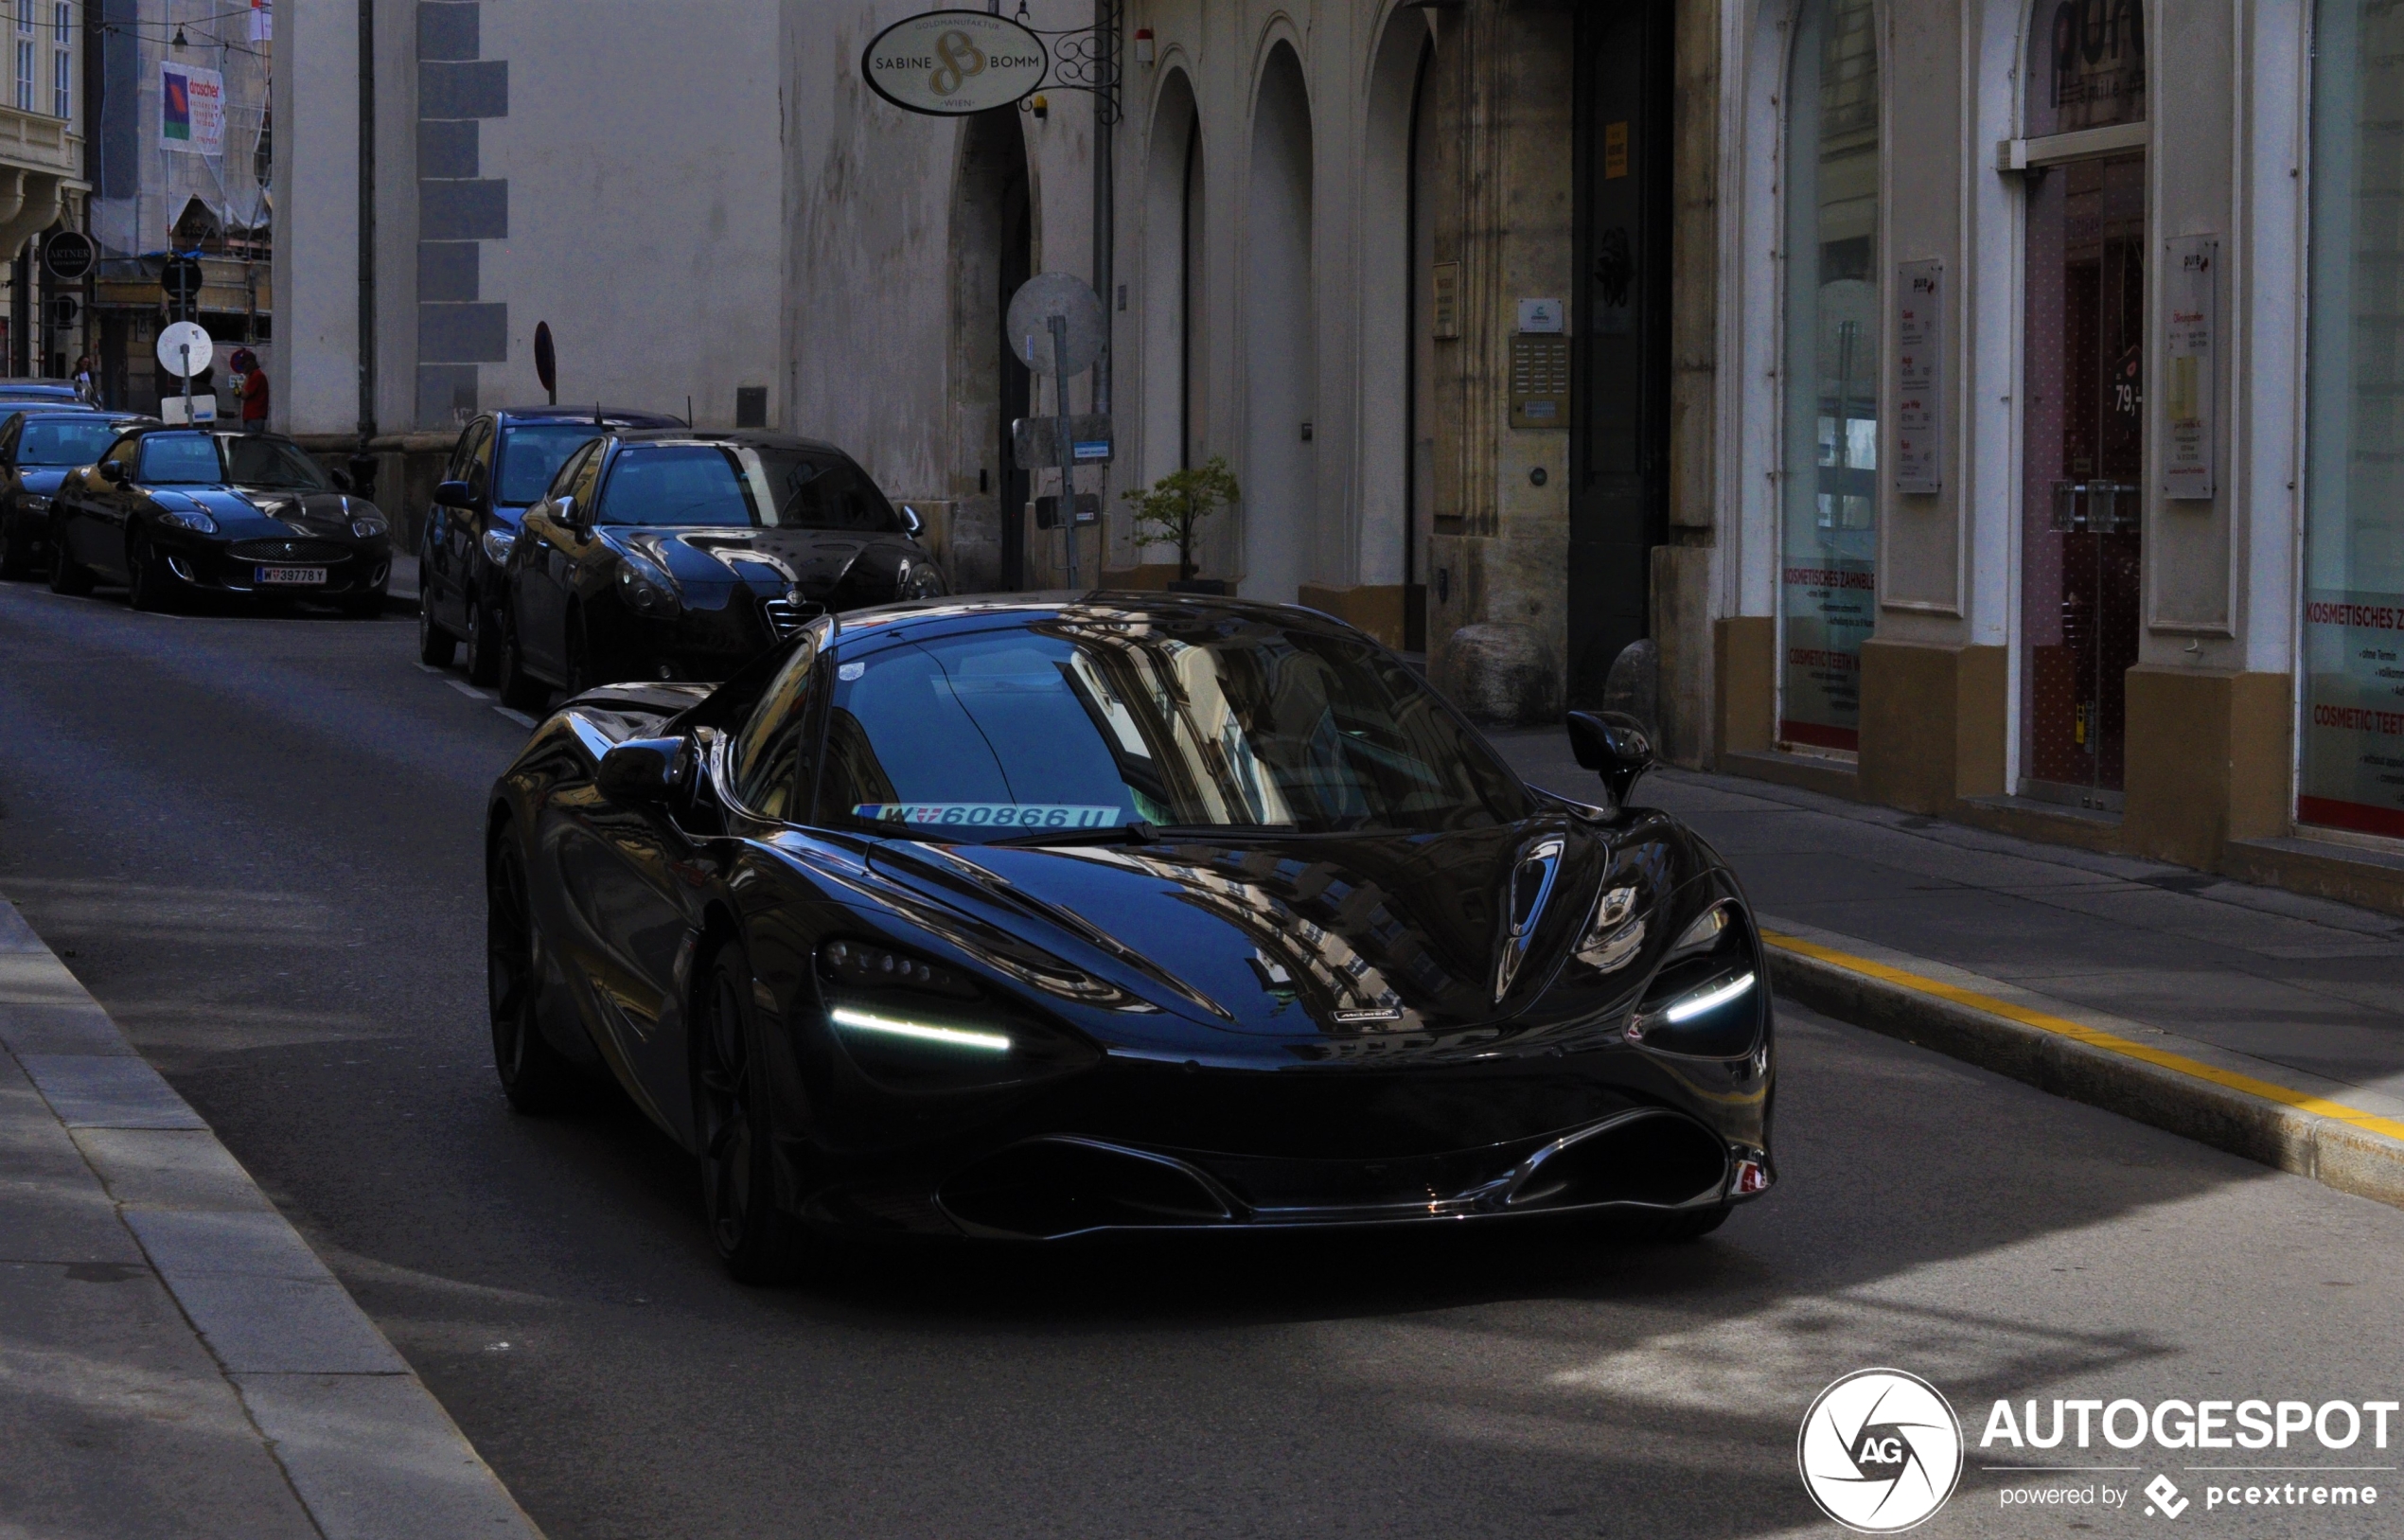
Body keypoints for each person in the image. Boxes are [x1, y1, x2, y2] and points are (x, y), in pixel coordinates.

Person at [230, 346, 268, 432]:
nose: (242, 367)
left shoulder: (256, 376)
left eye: (243, 364)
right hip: (251, 416)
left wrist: (240, 390)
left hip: (255, 416)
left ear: (249, 363)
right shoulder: (254, 376)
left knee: (252, 442)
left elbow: (245, 394)